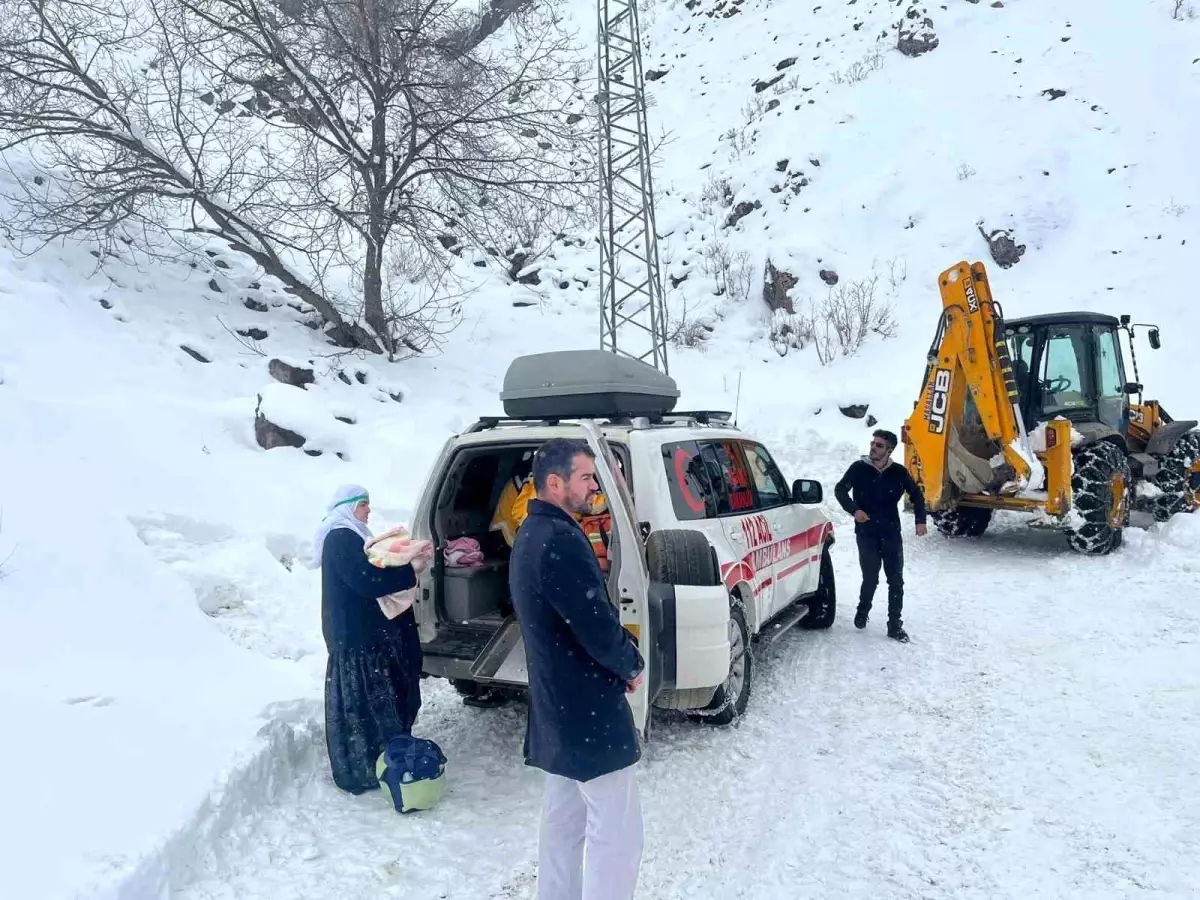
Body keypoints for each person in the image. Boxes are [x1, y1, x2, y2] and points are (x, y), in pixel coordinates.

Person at [509, 438, 646, 900]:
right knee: (618, 832)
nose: (594, 487)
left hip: (557, 703)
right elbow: (596, 624)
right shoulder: (559, 540)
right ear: (554, 482)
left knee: (563, 822)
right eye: (586, 477)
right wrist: (630, 662)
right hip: (587, 708)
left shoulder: (531, 532)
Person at [306, 484, 425, 794]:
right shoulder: (341, 537)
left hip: (357, 633)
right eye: (363, 504)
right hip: (355, 636)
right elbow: (366, 581)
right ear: (347, 507)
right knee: (364, 703)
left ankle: (377, 759)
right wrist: (409, 572)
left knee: (369, 700)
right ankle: (362, 768)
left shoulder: (349, 535)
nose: (368, 510)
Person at [834, 429, 928, 643]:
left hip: (891, 532)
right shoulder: (859, 469)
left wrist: (920, 520)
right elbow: (840, 490)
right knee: (871, 577)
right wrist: (854, 510)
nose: (873, 448)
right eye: (873, 443)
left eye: (879, 445)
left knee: (896, 580)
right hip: (866, 532)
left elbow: (917, 495)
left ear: (889, 450)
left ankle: (895, 625)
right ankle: (863, 609)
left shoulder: (898, 472)